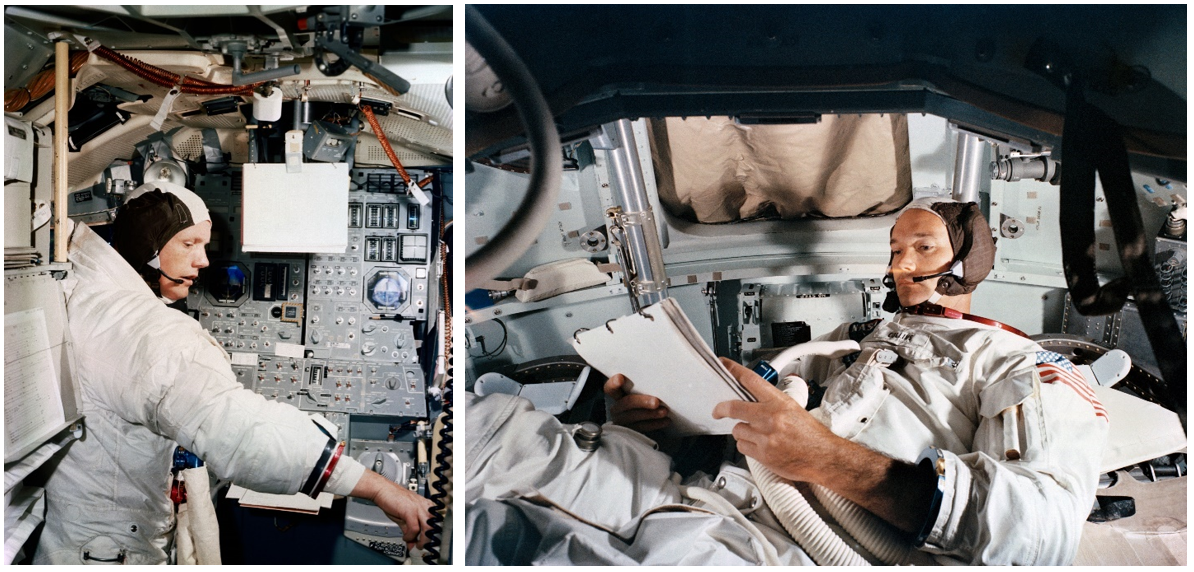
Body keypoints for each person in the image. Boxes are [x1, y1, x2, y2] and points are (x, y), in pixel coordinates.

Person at [605, 197, 1109, 565]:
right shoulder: (853, 337)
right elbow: (765, 401)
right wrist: (665, 423)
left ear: (967, 262)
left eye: (923, 247)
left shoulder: (1015, 361)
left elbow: (1043, 531)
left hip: (810, 550)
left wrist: (825, 459)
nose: (900, 265)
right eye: (894, 250)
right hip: (714, 499)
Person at [35, 182, 433, 564]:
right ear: (147, 244)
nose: (203, 260)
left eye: (204, 246)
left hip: (77, 538)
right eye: (188, 243)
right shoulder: (147, 332)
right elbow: (243, 435)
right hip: (108, 551)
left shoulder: (87, 292)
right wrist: (377, 487)